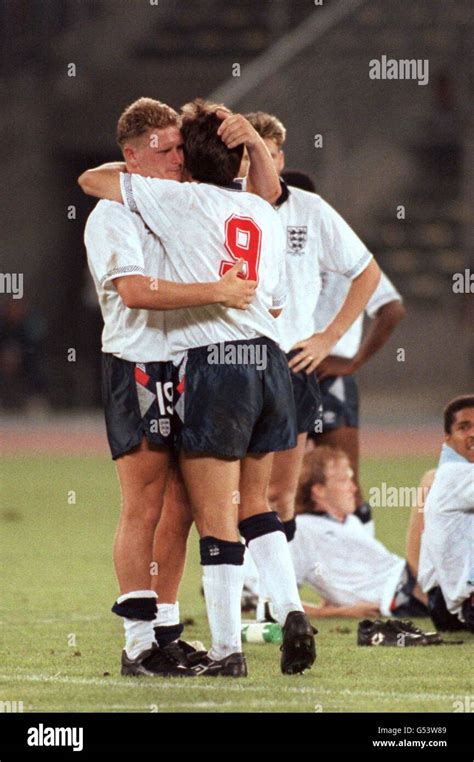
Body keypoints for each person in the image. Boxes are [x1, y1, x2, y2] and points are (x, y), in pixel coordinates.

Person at [80, 99, 318, 677]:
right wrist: (218, 291)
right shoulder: (117, 212)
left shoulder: (182, 200)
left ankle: (170, 628)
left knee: (189, 507)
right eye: (163, 150)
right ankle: (140, 643)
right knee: (146, 504)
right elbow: (134, 291)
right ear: (132, 158)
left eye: (180, 147)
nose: (176, 158)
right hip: (141, 363)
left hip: (198, 363)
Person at [240, 112, 380, 619]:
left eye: (270, 153)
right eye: (252, 152)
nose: (262, 162)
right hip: (229, 362)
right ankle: (237, 597)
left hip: (292, 365)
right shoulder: (222, 204)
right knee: (225, 493)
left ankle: (276, 609)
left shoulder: (310, 210)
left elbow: (366, 272)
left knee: (279, 493)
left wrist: (330, 337)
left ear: (279, 158)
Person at [280, 170, 406, 533]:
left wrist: (353, 359)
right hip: (296, 372)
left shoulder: (335, 245)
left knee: (340, 483)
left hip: (320, 374)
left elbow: (391, 307)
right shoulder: (280, 246)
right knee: (297, 486)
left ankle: (365, 570)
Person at [290, 446, 430, 619]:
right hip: (399, 595)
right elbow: (277, 603)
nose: (353, 488)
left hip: (410, 577)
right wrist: (340, 612)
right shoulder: (300, 529)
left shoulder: (352, 521)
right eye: (343, 480)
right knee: (431, 481)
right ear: (318, 490)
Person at [418, 395, 474, 632]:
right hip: (459, 604)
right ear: (447, 438)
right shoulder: (454, 474)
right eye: (464, 427)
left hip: (443, 602)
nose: (473, 433)